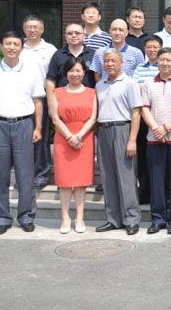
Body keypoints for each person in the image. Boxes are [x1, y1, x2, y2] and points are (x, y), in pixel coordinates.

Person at [0, 31, 45, 235]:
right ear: (1, 46)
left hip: (24, 125)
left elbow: (38, 102)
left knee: (25, 175)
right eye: (8, 44)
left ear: (21, 48)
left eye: (16, 44)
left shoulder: (31, 71)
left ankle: (26, 217)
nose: (11, 48)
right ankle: (2, 218)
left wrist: (38, 128)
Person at [141, 47, 171, 235]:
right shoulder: (148, 83)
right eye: (161, 60)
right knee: (156, 180)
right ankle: (158, 219)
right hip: (154, 138)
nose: (164, 63)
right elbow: (144, 108)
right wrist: (156, 128)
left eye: (169, 60)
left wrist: (166, 128)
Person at [94, 49, 143, 235]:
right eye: (106, 61)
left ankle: (131, 218)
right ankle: (113, 219)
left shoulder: (129, 83)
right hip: (104, 131)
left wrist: (132, 139)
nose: (109, 64)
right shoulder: (100, 85)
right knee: (108, 177)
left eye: (113, 60)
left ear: (121, 63)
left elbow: (136, 113)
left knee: (126, 177)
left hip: (123, 129)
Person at [48, 57, 97, 234]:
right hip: (63, 138)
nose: (75, 74)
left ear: (84, 72)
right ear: (65, 73)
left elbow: (93, 118)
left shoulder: (92, 92)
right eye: (71, 71)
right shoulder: (57, 92)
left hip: (85, 138)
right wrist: (70, 136)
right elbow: (55, 118)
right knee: (65, 181)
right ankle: (65, 217)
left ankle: (80, 218)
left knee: (81, 182)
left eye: (78, 70)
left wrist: (79, 136)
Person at [19, 15, 57, 189]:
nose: (32, 30)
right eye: (29, 27)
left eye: (36, 27)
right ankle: (24, 176)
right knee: (22, 139)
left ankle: (42, 173)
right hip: (20, 98)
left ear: (42, 29)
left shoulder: (49, 49)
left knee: (40, 136)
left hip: (41, 97)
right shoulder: (18, 48)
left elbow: (54, 76)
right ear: (24, 29)